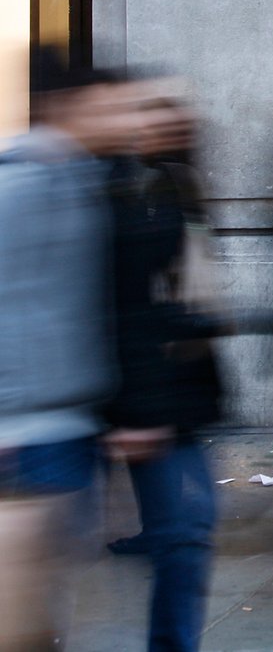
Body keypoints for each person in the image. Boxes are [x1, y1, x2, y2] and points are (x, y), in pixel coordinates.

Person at [104, 76, 271, 652]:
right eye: (154, 109)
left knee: (188, 534)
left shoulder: (176, 185)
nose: (170, 119)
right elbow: (133, 308)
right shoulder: (126, 192)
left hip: (181, 392)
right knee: (185, 535)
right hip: (147, 396)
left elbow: (191, 293)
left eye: (175, 108)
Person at [0, 59, 137, 648]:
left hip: (71, 416)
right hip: (29, 425)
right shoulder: (22, 183)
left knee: (51, 589)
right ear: (65, 106)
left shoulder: (81, 177)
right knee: (26, 597)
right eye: (104, 105)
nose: (118, 118)